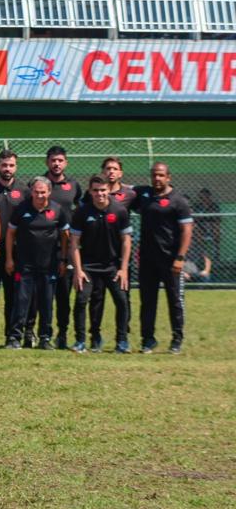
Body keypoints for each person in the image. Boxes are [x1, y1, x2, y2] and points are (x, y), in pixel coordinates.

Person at [132, 163, 194, 354]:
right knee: (147, 301)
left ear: (168, 177)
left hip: (171, 261)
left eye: (161, 175)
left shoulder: (178, 201)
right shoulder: (144, 195)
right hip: (148, 260)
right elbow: (122, 190)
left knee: (175, 300)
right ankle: (148, 340)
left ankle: (176, 339)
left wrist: (180, 258)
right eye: (154, 175)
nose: (157, 179)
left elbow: (187, 230)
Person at [69, 175, 132, 354]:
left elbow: (126, 241)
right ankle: (81, 341)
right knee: (82, 300)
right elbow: (74, 243)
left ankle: (122, 341)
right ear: (90, 191)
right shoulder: (82, 212)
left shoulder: (119, 210)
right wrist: (78, 270)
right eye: (96, 190)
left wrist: (123, 269)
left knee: (121, 300)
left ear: (108, 191)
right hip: (88, 266)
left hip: (112, 266)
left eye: (103, 190)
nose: (100, 194)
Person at [5, 176, 69, 350]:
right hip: (24, 265)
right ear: (31, 192)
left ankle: (45, 338)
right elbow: (10, 234)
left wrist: (63, 259)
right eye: (36, 192)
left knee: (46, 303)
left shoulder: (57, 210)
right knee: (21, 302)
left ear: (49, 192)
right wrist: (9, 259)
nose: (39, 195)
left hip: (49, 266)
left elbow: (65, 236)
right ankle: (15, 338)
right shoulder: (22, 209)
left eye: (43, 192)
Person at [0, 149, 27, 348]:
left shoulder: (25, 191)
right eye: (4, 165)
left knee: (13, 296)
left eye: (11, 165)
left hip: (16, 254)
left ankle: (12, 336)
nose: (7, 168)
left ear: (16, 167)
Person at [43, 146, 82, 349]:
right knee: (44, 296)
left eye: (60, 160)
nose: (56, 164)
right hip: (43, 249)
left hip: (65, 249)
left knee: (64, 296)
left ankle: (63, 334)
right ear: (47, 162)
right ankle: (44, 334)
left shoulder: (74, 186)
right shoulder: (41, 184)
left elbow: (81, 211)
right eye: (53, 160)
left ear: (65, 162)